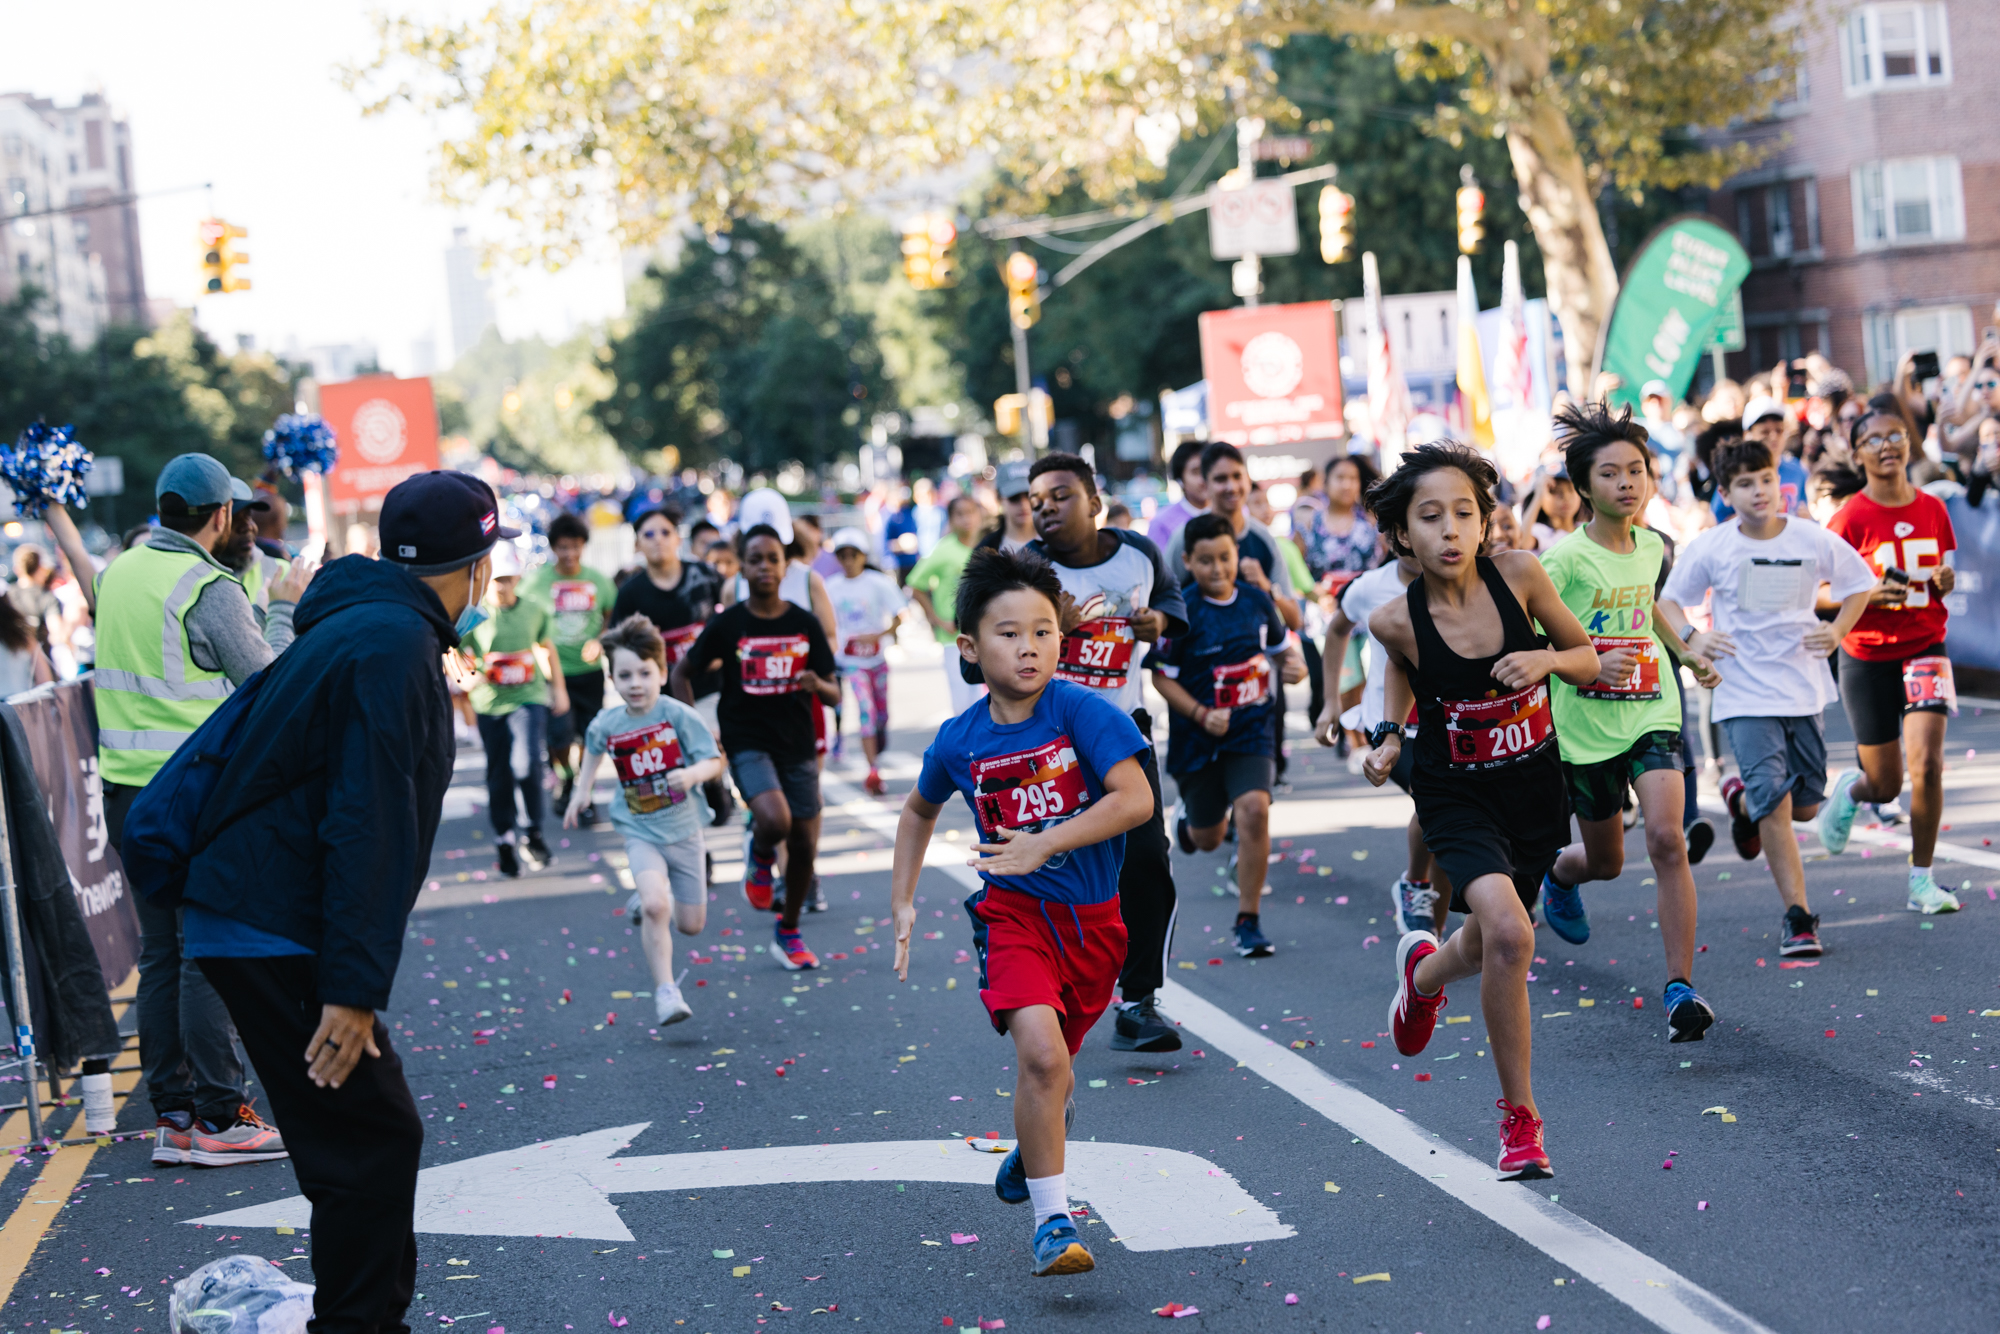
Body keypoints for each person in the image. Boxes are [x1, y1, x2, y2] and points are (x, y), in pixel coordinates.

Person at [183, 470, 508, 1334]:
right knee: (371, 1142)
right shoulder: (394, 651)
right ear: (473, 566)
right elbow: (369, 823)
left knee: (356, 1141)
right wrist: (352, 989)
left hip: (250, 910)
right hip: (269, 922)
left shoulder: (366, 625)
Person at [890, 547, 1155, 1277]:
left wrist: (1045, 842)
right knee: (1040, 1056)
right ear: (971, 648)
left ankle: (1032, 1147)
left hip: (1096, 926)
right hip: (1013, 920)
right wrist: (903, 900)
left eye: (1043, 630)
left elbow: (1135, 799)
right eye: (1009, 633)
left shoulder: (1082, 710)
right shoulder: (960, 739)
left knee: (1056, 1075)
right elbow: (917, 812)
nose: (1029, 645)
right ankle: (1053, 1223)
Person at [1358, 442, 1598, 1181]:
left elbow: (1585, 657)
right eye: (1430, 517)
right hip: (1455, 794)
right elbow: (1405, 673)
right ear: (1403, 536)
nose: (1451, 529)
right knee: (1509, 934)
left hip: (1530, 784)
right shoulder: (1394, 620)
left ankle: (1424, 979)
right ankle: (1520, 1121)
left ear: (1486, 520)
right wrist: (1392, 739)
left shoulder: (1521, 576)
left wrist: (1547, 662)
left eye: (1465, 511)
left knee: (1487, 939)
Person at [98, 453, 309, 1168]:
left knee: (160, 955)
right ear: (221, 516)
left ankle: (177, 1117)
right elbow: (269, 685)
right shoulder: (207, 586)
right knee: (202, 954)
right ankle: (221, 1116)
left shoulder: (118, 571)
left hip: (125, 794)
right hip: (186, 793)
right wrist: (282, 609)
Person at [1531, 403, 1722, 1042]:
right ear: (1583, 488)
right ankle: (1564, 872)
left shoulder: (1655, 546)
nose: (1627, 484)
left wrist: (1687, 653)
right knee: (1608, 861)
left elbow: (1649, 612)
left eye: (1636, 471)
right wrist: (1580, 665)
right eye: (1610, 474)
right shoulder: (1561, 563)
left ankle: (1680, 989)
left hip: (1653, 713)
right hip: (1586, 729)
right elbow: (1532, 646)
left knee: (1667, 840)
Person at [1658, 437, 1877, 958]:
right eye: (1743, 484)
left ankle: (1740, 800)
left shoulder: (1809, 537)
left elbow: (1860, 583)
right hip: (1743, 694)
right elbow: (1666, 603)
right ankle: (1798, 918)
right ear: (1727, 494)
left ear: (1779, 483)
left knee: (1804, 807)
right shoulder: (1714, 545)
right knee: (1776, 805)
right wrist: (1693, 639)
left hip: (1801, 689)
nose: (1758, 492)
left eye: (1764, 480)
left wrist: (1839, 629)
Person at [1025, 453, 1188, 1053]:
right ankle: (1047, 989)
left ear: (1095, 503)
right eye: (1036, 500)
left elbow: (1175, 607)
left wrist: (1158, 626)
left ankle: (1139, 1001)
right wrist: (1050, 631)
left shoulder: (1138, 554)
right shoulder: (1025, 570)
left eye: (1060, 495)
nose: (1045, 508)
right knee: (1054, 871)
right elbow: (976, 655)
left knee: (1146, 864)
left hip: (1123, 733)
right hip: (1047, 746)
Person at [1816, 402, 1963, 914]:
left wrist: (1946, 580)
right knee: (1887, 782)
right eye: (1873, 439)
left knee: (1929, 766)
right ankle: (1852, 793)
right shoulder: (1850, 517)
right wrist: (1866, 597)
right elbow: (1818, 594)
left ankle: (1922, 881)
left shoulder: (1934, 509)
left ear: (1909, 442)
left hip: (1925, 646)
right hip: (1868, 655)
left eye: (1895, 435)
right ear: (1858, 454)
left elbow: (1942, 576)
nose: (1887, 446)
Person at [671, 525, 840, 968]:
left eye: (772, 559)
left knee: (804, 844)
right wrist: (698, 731)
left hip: (797, 742)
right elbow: (680, 674)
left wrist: (816, 682)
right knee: (774, 819)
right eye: (755, 559)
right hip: (746, 740)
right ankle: (761, 853)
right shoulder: (729, 623)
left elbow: (834, 692)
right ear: (742, 567)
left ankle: (789, 932)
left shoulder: (803, 623)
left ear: (786, 566)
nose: (764, 567)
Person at [1152, 515, 1304, 958]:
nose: (1217, 568)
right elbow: (1162, 678)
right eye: (1205, 561)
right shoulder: (1181, 611)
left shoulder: (1257, 601)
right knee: (1208, 839)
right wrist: (1201, 712)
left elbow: (1281, 653)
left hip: (1252, 730)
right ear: (1187, 561)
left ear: (1238, 555)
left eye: (1225, 557)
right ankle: (1189, 820)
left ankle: (1248, 920)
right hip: (1198, 739)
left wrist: (1293, 667)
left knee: (1254, 810)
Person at [567, 615, 723, 1025]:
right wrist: (582, 791)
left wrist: (691, 774)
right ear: (612, 679)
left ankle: (649, 896)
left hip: (685, 829)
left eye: (644, 673)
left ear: (662, 671)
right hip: (640, 831)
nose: (635, 683)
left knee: (691, 925)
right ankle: (666, 992)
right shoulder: (611, 722)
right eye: (624, 675)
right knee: (656, 906)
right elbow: (594, 748)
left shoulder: (678, 715)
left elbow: (713, 760)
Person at [611, 508, 731, 823]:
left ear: (678, 537)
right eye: (648, 534)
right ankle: (697, 847)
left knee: (708, 750)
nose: (658, 540)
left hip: (709, 688)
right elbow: (620, 649)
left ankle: (716, 782)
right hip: (660, 698)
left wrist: (722, 653)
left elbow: (733, 619)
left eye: (665, 532)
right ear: (637, 544)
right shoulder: (631, 594)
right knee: (675, 777)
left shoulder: (705, 577)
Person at [460, 540, 570, 877]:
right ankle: (504, 839)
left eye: (509, 579)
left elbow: (546, 648)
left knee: (526, 764)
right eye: (496, 580)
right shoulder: (473, 616)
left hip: (528, 698)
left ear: (518, 579)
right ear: (485, 579)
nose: (503, 586)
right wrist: (469, 678)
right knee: (499, 771)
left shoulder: (534, 610)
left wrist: (559, 690)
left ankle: (533, 833)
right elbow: (457, 656)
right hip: (490, 704)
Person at [526, 511, 617, 824]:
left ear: (584, 546)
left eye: (575, 546)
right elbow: (526, 620)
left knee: (591, 736)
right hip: (553, 674)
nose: (569, 553)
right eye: (563, 547)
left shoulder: (598, 580)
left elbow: (611, 614)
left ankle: (584, 792)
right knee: (559, 736)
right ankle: (564, 777)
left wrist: (601, 639)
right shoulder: (537, 582)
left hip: (589, 672)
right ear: (553, 548)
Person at [1164, 444, 1300, 631]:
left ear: (1247, 479)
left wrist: (1266, 587)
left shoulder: (1262, 538)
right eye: (1221, 479)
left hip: (1255, 654)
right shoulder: (1186, 537)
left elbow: (1295, 621)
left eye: (1237, 476)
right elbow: (1163, 607)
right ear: (1206, 484)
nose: (1231, 487)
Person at [827, 526, 907, 795]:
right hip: (851, 662)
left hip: (877, 660)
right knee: (867, 713)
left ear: (863, 556)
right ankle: (873, 769)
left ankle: (877, 750)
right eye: (843, 556)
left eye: (854, 555)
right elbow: (824, 623)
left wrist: (880, 634)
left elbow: (900, 615)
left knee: (882, 716)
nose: (848, 561)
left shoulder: (878, 583)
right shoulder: (831, 588)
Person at [909, 494, 988, 716]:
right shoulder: (943, 549)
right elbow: (916, 586)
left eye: (971, 512)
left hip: (985, 635)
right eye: (959, 514)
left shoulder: (987, 546)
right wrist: (936, 619)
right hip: (954, 639)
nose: (967, 519)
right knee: (963, 704)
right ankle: (965, 749)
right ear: (951, 520)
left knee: (987, 700)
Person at [1296, 454, 1381, 580]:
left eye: (1353, 478)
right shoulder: (1309, 524)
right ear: (1326, 482)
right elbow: (1296, 571)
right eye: (1340, 477)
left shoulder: (1372, 523)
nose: (1346, 485)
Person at [1147, 440, 1209, 551]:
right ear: (1180, 479)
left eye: (1207, 469)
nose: (1203, 479)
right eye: (1195, 472)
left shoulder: (1235, 512)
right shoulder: (1161, 524)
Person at [979, 460, 1037, 553]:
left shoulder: (1057, 540)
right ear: (999, 497)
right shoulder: (986, 550)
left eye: (1029, 495)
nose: (1024, 504)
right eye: (1014, 497)